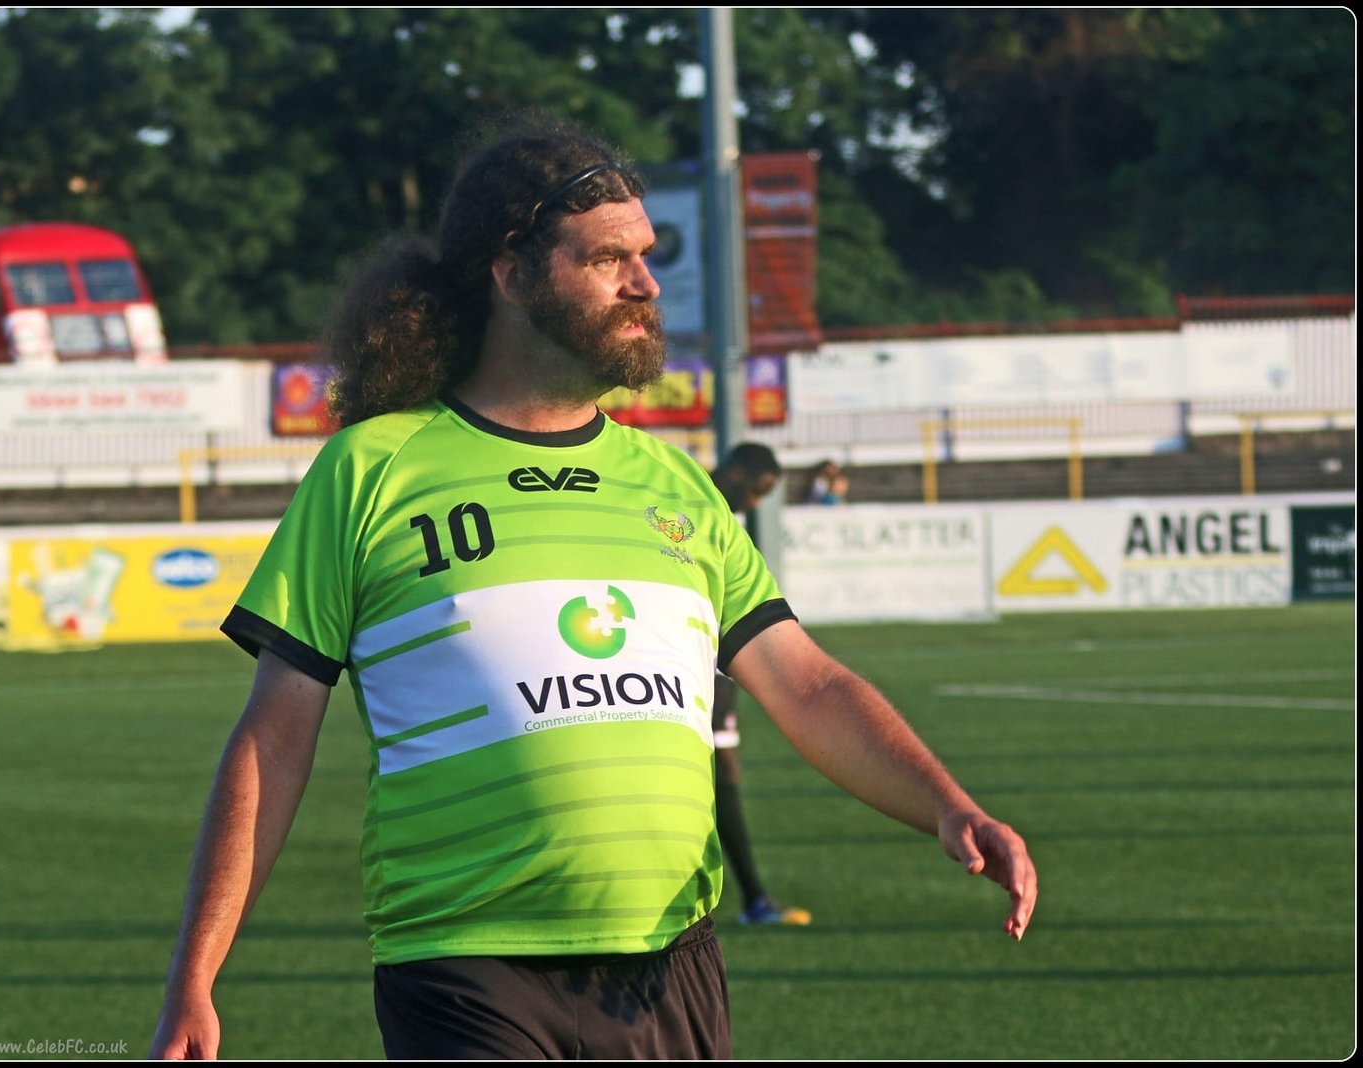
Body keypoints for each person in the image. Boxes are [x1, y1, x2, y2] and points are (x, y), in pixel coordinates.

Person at [150, 111, 1037, 1062]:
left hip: (671, 967)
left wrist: (947, 803)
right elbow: (276, 735)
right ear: (512, 272)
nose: (646, 284)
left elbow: (808, 684)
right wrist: (196, 976)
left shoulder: (675, 484)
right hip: (465, 968)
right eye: (610, 258)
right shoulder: (373, 469)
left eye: (645, 257)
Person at [707, 442, 811, 926]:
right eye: (755, 490)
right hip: (692, 665)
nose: (754, 502)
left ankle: (753, 898)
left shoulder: (721, 517)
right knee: (719, 773)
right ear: (736, 472)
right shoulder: (690, 503)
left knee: (720, 772)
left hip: (713, 665)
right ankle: (753, 899)